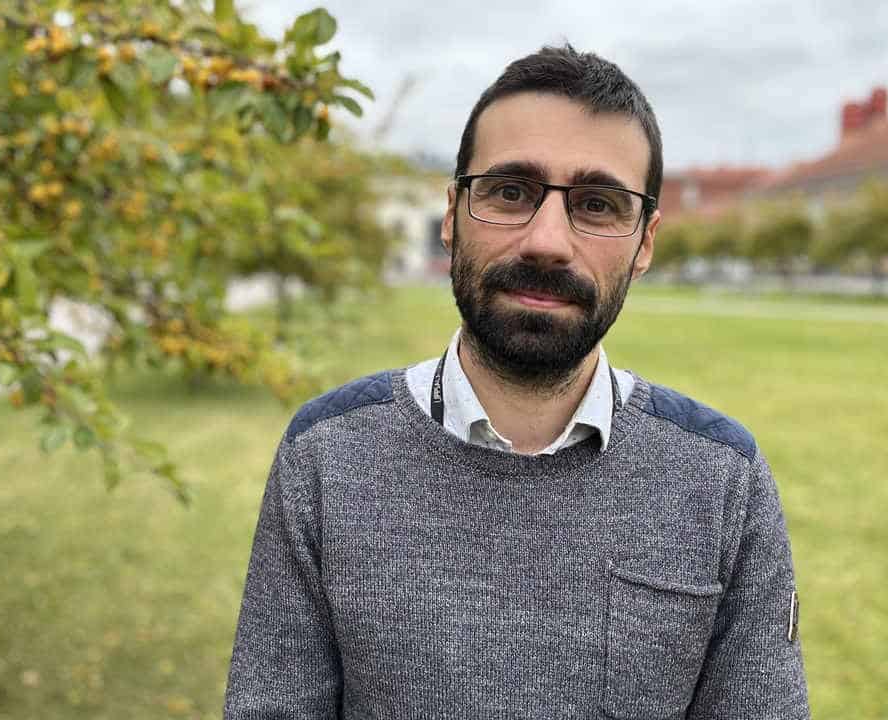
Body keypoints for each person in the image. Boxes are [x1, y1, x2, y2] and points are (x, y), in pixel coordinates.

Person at [224, 45, 810, 719]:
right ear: (451, 215)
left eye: (597, 204)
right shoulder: (325, 456)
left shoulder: (722, 479)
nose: (547, 241)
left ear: (644, 243)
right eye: (510, 192)